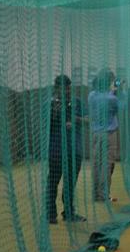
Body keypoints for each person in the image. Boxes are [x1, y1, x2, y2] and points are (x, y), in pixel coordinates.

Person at [47, 74, 87, 224]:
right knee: (53, 182)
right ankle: (50, 214)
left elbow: (89, 120)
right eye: (64, 88)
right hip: (56, 150)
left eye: (69, 88)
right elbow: (44, 126)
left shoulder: (77, 102)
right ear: (57, 89)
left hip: (74, 150)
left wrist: (75, 120)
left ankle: (69, 213)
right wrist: (55, 113)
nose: (68, 91)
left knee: (70, 183)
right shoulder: (50, 104)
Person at [88, 69, 122, 202]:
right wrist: (120, 90)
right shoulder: (112, 98)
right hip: (109, 134)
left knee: (97, 164)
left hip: (96, 134)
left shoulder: (92, 95)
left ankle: (96, 194)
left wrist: (115, 86)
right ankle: (103, 195)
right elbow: (121, 106)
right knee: (107, 165)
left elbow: (108, 94)